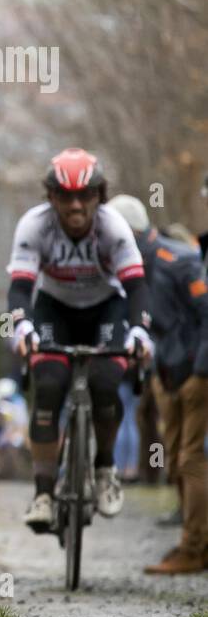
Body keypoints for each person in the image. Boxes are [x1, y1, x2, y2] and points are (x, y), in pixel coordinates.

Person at [6, 149, 152, 533]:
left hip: (107, 308)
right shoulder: (33, 226)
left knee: (106, 385)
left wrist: (139, 330)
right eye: (65, 196)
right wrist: (22, 327)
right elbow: (20, 289)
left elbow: (137, 287)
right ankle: (42, 494)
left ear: (98, 197)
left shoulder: (114, 227)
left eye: (84, 195)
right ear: (51, 197)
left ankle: (105, 467)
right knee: (49, 387)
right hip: (55, 309)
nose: (75, 205)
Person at [108, 194, 208, 574]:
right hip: (168, 376)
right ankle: (194, 540)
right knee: (176, 460)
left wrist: (200, 373)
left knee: (191, 458)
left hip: (194, 375)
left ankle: (195, 547)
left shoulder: (177, 261)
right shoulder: (129, 268)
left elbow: (205, 316)